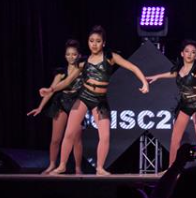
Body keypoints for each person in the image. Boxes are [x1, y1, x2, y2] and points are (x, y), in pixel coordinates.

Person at [43, 26, 149, 175]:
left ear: (103, 43)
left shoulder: (110, 57)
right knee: (69, 132)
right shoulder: (83, 62)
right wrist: (51, 90)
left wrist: (144, 82)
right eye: (91, 41)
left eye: (98, 41)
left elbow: (133, 67)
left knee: (105, 136)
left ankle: (99, 168)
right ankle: (62, 166)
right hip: (84, 97)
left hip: (100, 100)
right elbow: (67, 81)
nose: (94, 44)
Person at [146, 40, 196, 170]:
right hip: (184, 105)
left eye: (193, 52)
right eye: (187, 51)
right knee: (175, 139)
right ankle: (171, 168)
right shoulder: (179, 70)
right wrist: (155, 77)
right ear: (182, 53)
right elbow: (168, 74)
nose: (190, 54)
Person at [27, 39, 84, 174]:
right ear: (65, 56)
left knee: (76, 139)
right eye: (68, 54)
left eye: (74, 54)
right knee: (55, 139)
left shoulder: (82, 69)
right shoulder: (61, 72)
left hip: (76, 104)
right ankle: (52, 164)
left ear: (79, 55)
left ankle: (77, 168)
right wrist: (40, 107)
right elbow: (51, 90)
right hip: (61, 103)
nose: (71, 57)